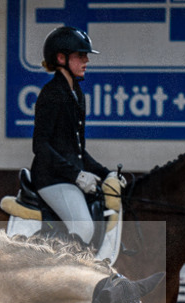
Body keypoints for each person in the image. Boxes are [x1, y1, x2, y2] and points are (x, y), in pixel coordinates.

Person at [30, 26, 125, 255]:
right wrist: (77, 175)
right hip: (51, 179)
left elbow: (78, 150)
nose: (86, 61)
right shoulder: (51, 93)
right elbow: (40, 146)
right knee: (82, 227)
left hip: (68, 176)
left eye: (86, 56)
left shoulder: (77, 94)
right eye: (81, 56)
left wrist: (106, 173)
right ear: (61, 58)